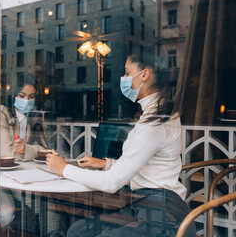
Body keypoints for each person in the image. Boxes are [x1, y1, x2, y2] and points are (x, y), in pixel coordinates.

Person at [46, 54, 196, 237]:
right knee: (77, 231)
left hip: (163, 216)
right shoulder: (157, 113)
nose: (123, 79)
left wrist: (63, 169)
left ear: (144, 74)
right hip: (147, 205)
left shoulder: (154, 124)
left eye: (127, 73)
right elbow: (145, 165)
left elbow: (111, 183)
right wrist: (105, 164)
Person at [0, 83, 48, 176]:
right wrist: (29, 151)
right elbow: (6, 153)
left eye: (31, 97)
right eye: (22, 96)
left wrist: (24, 149)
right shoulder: (0, 113)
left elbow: (45, 151)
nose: (27, 100)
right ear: (13, 95)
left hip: (22, 172)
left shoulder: (33, 117)